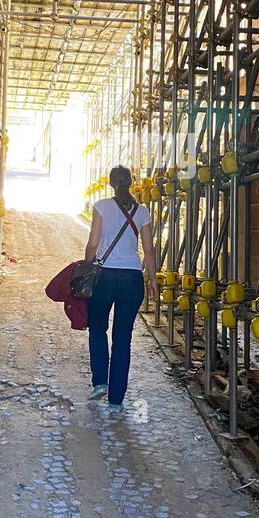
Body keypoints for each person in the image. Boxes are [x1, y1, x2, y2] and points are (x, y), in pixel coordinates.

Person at [83, 165, 157, 410]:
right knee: (123, 338)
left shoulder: (101, 206)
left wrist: (87, 266)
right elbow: (148, 250)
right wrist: (153, 280)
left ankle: (100, 382)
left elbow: (93, 243)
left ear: (111, 184)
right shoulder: (142, 211)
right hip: (132, 279)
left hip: (104, 277)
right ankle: (116, 399)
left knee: (97, 328)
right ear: (131, 183)